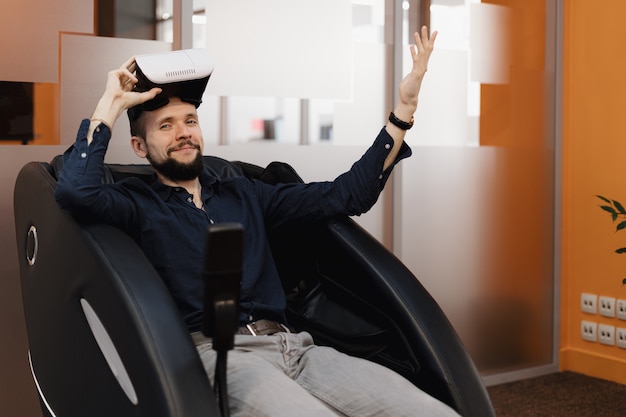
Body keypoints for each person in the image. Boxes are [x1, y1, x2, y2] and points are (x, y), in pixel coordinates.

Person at [55, 26, 458, 417]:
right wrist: (110, 104)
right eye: (166, 126)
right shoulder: (136, 204)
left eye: (190, 121)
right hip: (220, 356)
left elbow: (346, 194)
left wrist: (403, 111)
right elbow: (75, 192)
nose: (183, 133)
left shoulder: (245, 192)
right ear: (139, 147)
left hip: (297, 349)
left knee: (424, 409)